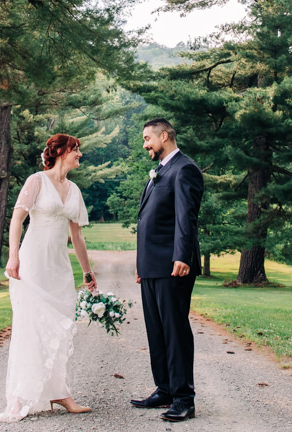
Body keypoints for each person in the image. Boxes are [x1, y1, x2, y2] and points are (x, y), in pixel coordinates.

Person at [0, 133, 97, 422]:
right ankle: (20, 396)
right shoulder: (36, 181)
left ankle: (59, 392)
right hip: (33, 263)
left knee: (59, 328)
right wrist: (13, 256)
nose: (79, 155)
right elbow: (17, 219)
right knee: (31, 326)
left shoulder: (74, 190)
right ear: (62, 151)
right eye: (76, 150)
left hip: (58, 267)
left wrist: (87, 271)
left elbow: (77, 236)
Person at [132, 118, 204, 422]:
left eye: (147, 139)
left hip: (173, 265)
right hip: (152, 266)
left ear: (164, 136)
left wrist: (182, 256)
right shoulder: (161, 170)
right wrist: (141, 265)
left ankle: (184, 398)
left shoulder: (185, 169)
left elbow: (186, 217)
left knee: (175, 332)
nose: (145, 145)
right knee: (156, 331)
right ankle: (165, 389)